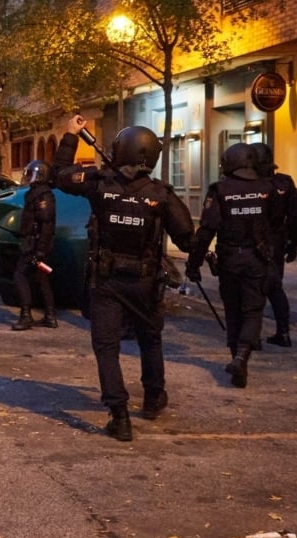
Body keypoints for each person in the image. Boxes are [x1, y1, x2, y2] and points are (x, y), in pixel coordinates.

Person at [54, 114, 195, 442]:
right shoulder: (161, 194)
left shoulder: (99, 184)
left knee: (106, 347)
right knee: (150, 339)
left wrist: (71, 135)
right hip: (145, 282)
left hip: (107, 280)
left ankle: (119, 416)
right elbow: (187, 236)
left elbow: (60, 175)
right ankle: (153, 398)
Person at [186, 143, 281, 389]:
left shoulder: (220, 190)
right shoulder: (267, 188)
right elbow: (277, 224)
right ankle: (242, 356)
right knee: (253, 310)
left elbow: (206, 230)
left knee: (233, 310)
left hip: (230, 260)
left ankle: (237, 359)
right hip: (257, 259)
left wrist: (194, 263)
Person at [250, 142, 297, 348]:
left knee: (252, 288)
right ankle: (283, 332)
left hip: (254, 240)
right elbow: (296, 217)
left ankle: (253, 335)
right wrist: (293, 243)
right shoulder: (284, 183)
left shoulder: (250, 185)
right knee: (274, 287)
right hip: (277, 241)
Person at [11, 160, 57, 330]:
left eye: (31, 174)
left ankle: (26, 315)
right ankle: (50, 316)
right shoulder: (37, 194)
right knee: (42, 279)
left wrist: (40, 250)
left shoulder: (42, 195)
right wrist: (23, 232)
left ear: (40, 175)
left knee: (20, 275)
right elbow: (33, 221)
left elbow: (46, 224)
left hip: (36, 245)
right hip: (36, 243)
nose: (28, 177)